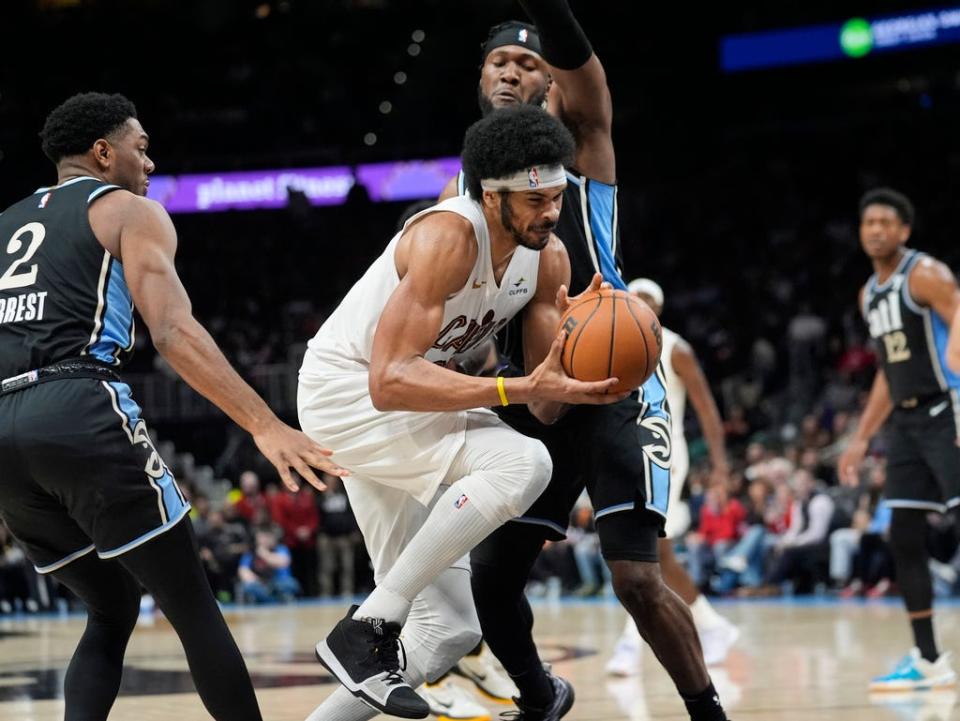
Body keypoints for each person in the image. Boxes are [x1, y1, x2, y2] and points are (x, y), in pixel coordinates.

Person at [0, 92, 346, 721]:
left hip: (2, 427)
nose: (151, 162)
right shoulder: (126, 210)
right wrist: (265, 426)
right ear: (104, 153)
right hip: (75, 399)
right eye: (142, 145)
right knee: (192, 605)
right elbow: (173, 333)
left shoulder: (3, 224)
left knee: (110, 607)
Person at [441, 5, 729, 720]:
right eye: (498, 61)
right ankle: (541, 698)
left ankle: (707, 711)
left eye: (528, 62)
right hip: (527, 389)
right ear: (480, 76)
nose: (511, 71)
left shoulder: (581, 145)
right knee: (492, 581)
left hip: (610, 378)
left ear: (551, 81)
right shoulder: (465, 185)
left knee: (636, 577)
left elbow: (588, 77)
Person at [299, 104, 623, 721]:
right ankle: (368, 625)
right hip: (346, 396)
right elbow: (389, 379)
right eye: (534, 201)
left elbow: (547, 400)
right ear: (490, 195)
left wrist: (587, 349)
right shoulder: (449, 234)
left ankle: (348, 673)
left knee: (447, 626)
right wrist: (513, 389)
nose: (550, 212)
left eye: (556, 196)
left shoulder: (547, 257)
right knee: (522, 463)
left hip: (400, 412)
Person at [838, 187, 959, 691]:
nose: (877, 229)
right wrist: (861, 437)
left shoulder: (925, 274)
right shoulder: (870, 294)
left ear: (904, 231)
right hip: (906, 426)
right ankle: (929, 659)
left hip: (945, 408)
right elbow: (888, 371)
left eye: (887, 222)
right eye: (869, 222)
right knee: (903, 533)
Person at [605, 278, 740, 676]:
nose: (640, 304)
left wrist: (719, 466)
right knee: (655, 556)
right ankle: (714, 627)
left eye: (648, 300)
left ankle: (630, 645)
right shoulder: (612, 345)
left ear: (658, 309)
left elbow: (708, 409)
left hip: (665, 456)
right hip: (626, 456)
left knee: (641, 550)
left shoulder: (676, 348)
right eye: (633, 297)